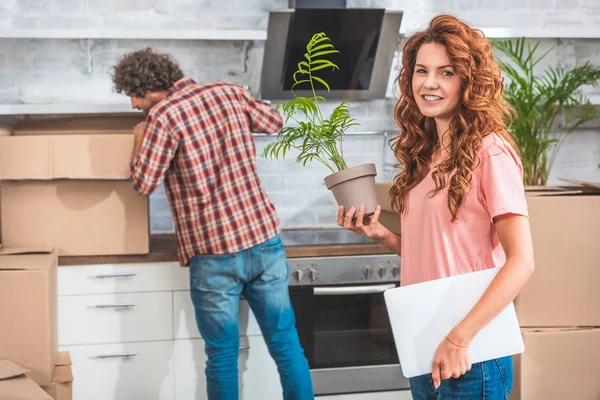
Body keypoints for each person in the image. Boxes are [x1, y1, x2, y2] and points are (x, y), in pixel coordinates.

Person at [338, 15, 535, 400]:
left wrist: (460, 339)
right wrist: (382, 235)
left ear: (469, 81)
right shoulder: (426, 155)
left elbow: (522, 262)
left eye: (446, 72)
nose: (429, 83)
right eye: (421, 71)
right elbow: (439, 256)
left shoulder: (490, 151)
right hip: (426, 343)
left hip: (470, 352)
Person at [111, 48, 313, 400]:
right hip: (264, 241)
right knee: (286, 344)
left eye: (132, 94)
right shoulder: (228, 92)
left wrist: (139, 140)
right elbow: (276, 122)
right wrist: (246, 104)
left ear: (147, 87)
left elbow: (143, 183)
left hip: (214, 255)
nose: (132, 104)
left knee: (221, 355)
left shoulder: (163, 117)